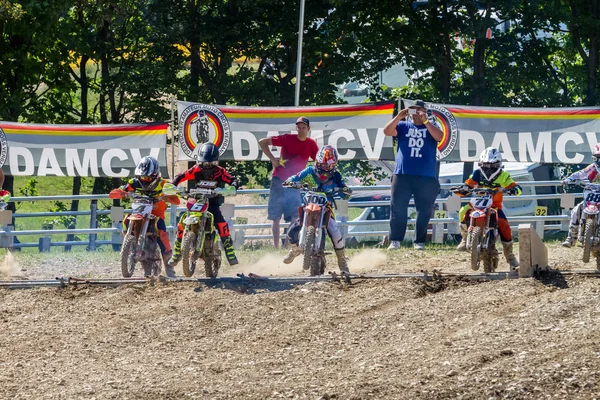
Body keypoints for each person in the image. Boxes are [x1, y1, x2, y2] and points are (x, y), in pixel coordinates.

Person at [383, 99, 443, 250]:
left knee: (424, 210)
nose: (416, 113)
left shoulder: (431, 126)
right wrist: (399, 116)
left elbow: (439, 137)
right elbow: (387, 131)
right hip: (402, 174)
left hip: (426, 176)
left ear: (424, 111)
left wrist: (426, 121)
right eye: (413, 110)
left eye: (419, 110)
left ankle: (419, 241)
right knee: (397, 208)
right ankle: (395, 240)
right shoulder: (403, 126)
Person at [282, 145, 352, 272]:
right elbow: (295, 177)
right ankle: (295, 249)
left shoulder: (335, 176)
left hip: (326, 207)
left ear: (334, 165)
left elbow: (345, 189)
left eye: (328, 166)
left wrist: (344, 190)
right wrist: (290, 182)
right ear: (317, 162)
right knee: (292, 229)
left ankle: (342, 262)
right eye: (322, 165)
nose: (325, 169)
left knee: (334, 231)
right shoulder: (309, 171)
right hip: (308, 206)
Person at [168, 142, 240, 266]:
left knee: (222, 224)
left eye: (210, 163)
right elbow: (181, 176)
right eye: (204, 163)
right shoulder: (195, 169)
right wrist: (173, 185)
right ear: (199, 160)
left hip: (212, 202)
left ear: (216, 162)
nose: (207, 166)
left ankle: (230, 252)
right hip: (196, 200)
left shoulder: (220, 171)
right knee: (182, 222)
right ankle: (176, 253)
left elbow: (233, 179)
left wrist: (232, 188)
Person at [454, 147, 521, 268]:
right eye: (486, 165)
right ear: (481, 163)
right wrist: (463, 189)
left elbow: (516, 187)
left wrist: (514, 190)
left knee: (504, 224)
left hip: (494, 206)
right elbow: (468, 184)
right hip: (477, 204)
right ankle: (464, 238)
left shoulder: (504, 175)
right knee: (463, 211)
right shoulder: (477, 173)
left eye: (492, 165)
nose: (489, 168)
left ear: (498, 164)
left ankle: (509, 255)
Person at [259, 116, 319, 248]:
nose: (301, 130)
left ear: (308, 129)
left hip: (295, 183)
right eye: (299, 127)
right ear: (296, 128)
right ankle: (276, 247)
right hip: (279, 180)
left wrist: (315, 178)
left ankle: (286, 245)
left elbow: (318, 163)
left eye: (304, 127)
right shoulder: (287, 138)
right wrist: (273, 160)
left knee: (295, 215)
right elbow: (262, 142)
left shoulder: (311, 144)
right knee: (275, 216)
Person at [117, 156, 180, 277]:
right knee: (126, 220)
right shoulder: (134, 182)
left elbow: (176, 200)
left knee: (161, 232)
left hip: (156, 214)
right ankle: (130, 245)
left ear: (155, 175)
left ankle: (169, 267)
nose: (144, 180)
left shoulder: (163, 184)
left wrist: (168, 197)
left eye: (147, 177)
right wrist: (121, 192)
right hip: (139, 212)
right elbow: (124, 188)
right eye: (142, 177)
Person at [561, 143, 600, 247]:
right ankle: (571, 237)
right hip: (591, 194)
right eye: (598, 158)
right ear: (594, 158)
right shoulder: (592, 168)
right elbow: (581, 173)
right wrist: (569, 179)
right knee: (576, 209)